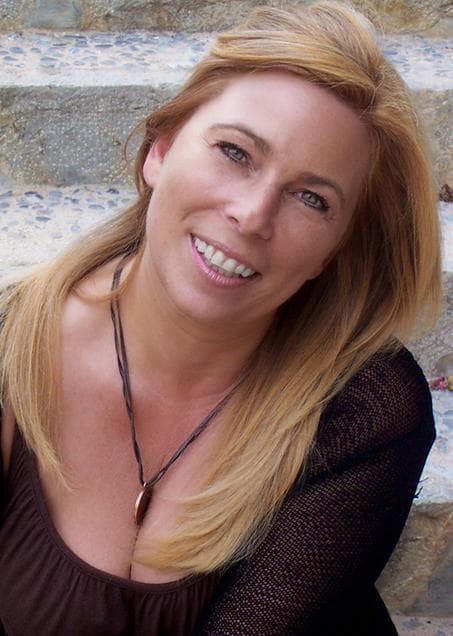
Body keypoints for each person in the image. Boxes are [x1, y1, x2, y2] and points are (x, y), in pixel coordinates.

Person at [0, 2, 442, 634]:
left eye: (311, 198)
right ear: (160, 150)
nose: (252, 215)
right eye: (235, 152)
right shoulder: (11, 347)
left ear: (333, 252)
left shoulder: (361, 406)